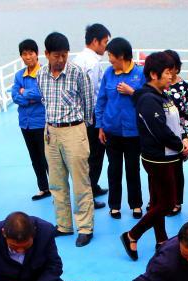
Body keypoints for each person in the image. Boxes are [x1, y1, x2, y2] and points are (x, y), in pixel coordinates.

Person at [121, 52, 188, 260]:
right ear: (153, 74)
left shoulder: (162, 94)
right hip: (158, 158)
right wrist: (181, 147)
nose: (172, 76)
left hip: (167, 155)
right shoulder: (148, 99)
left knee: (157, 200)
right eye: (168, 73)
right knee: (167, 204)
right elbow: (159, 130)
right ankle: (132, 235)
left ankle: (161, 239)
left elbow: (173, 124)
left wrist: (184, 139)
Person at [38, 32, 96, 247]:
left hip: (74, 130)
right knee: (56, 182)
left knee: (81, 182)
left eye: (64, 55)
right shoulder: (41, 75)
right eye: (56, 56)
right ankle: (63, 225)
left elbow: (89, 103)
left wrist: (80, 129)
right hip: (51, 132)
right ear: (46, 54)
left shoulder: (77, 73)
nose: (61, 60)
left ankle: (85, 227)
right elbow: (45, 100)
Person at [96, 37, 144, 220]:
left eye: (111, 55)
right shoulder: (108, 73)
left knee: (133, 169)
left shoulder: (140, 73)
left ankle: (136, 205)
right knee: (114, 169)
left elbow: (148, 97)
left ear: (122, 55)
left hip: (133, 132)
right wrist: (100, 126)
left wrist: (132, 91)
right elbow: (101, 101)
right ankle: (114, 205)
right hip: (111, 130)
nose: (109, 59)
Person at [74, 23, 111, 205]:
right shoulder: (93, 63)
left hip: (79, 115)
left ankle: (92, 186)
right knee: (95, 155)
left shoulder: (76, 59)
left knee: (86, 155)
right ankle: (89, 194)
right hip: (93, 115)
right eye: (104, 42)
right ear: (95, 41)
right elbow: (95, 93)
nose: (106, 47)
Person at [12, 39, 50, 201]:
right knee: (35, 158)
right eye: (24, 54)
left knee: (48, 158)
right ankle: (43, 188)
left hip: (40, 122)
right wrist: (29, 97)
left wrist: (24, 93)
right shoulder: (19, 75)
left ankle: (57, 189)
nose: (28, 57)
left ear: (37, 54)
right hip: (25, 123)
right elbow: (14, 96)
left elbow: (41, 93)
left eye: (31, 53)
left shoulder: (44, 72)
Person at [164, 49, 188, 215]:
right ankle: (158, 200)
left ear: (177, 68)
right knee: (158, 169)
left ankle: (176, 201)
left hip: (177, 135)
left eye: (172, 67)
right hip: (159, 135)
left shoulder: (184, 88)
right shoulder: (157, 87)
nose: (169, 71)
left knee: (175, 170)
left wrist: (186, 139)